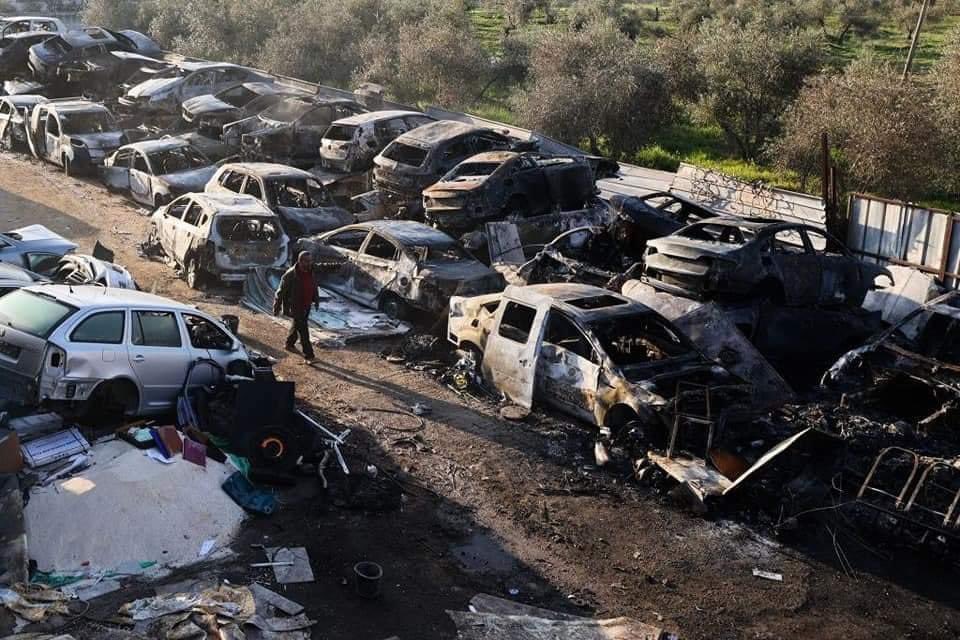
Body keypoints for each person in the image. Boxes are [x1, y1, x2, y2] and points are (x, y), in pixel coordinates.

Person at [273, 251, 320, 363]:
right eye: (307, 261)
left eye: (310, 261)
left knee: (297, 325)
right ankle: (309, 356)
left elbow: (322, 268)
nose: (309, 263)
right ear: (300, 261)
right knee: (303, 331)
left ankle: (289, 344)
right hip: (295, 306)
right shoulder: (290, 275)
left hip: (307, 304)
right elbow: (280, 292)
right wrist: (277, 306)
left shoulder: (311, 270)